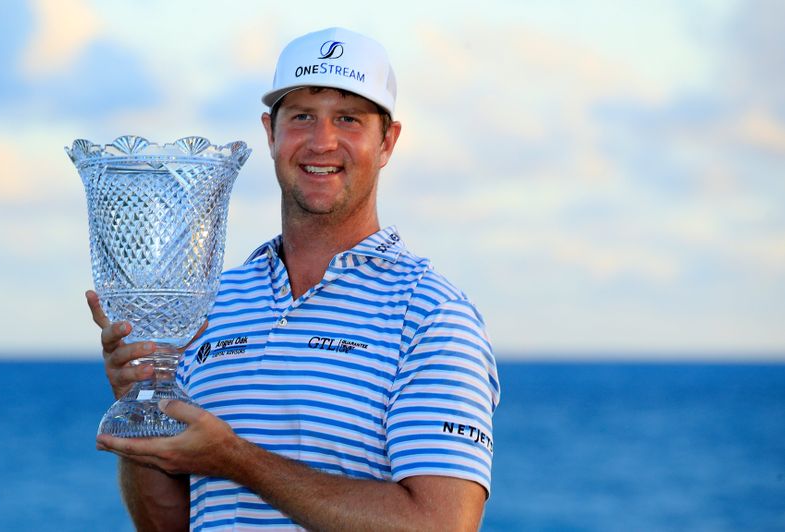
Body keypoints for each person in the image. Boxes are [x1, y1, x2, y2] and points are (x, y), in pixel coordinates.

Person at [89, 27, 500, 531]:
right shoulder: (211, 304)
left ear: (387, 142)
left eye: (348, 119)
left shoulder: (432, 317)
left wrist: (237, 460)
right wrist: (139, 399)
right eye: (302, 116)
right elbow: (167, 526)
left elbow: (441, 524)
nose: (322, 141)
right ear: (271, 133)